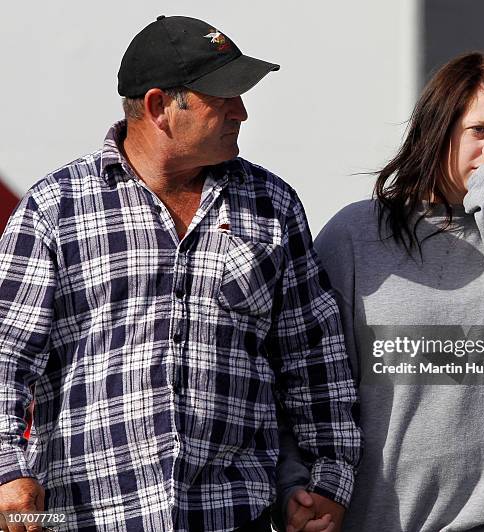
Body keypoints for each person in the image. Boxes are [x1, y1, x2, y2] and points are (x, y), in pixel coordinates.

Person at [0, 15, 362, 532]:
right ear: (158, 107)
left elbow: (314, 359)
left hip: (239, 519)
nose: (243, 110)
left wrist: (328, 480)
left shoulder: (272, 204)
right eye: (224, 95)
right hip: (87, 520)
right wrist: (7, 473)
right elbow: (5, 354)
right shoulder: (56, 206)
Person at [279, 52, 484, 531]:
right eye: (479, 131)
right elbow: (304, 378)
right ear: (439, 128)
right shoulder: (355, 234)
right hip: (385, 516)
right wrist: (295, 484)